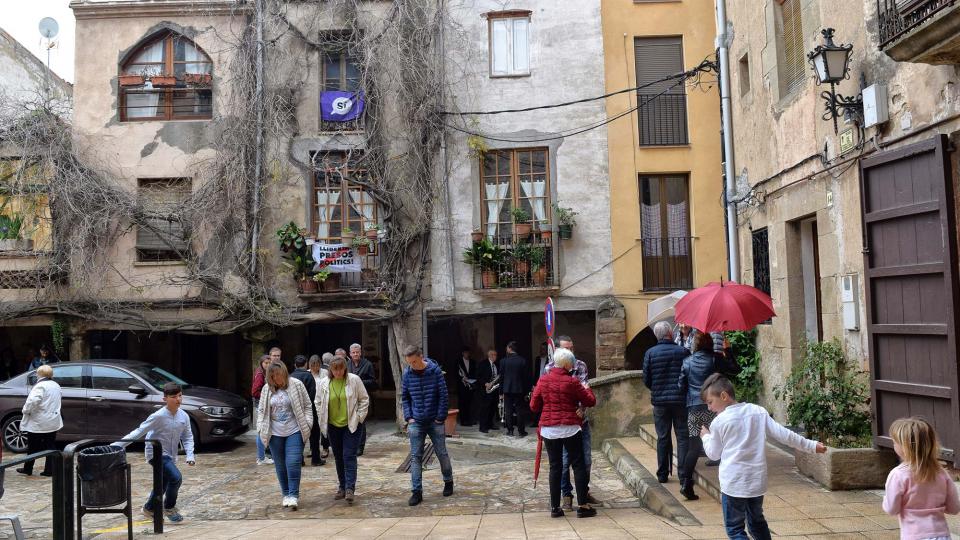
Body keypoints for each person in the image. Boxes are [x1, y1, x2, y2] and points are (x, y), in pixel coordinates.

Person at [700, 374, 826, 539]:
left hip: (733, 483)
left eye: (710, 402)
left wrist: (705, 436)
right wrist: (811, 445)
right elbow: (784, 435)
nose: (709, 408)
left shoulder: (719, 422)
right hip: (756, 482)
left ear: (724, 396)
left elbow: (713, 453)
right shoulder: (757, 411)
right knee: (757, 522)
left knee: (735, 529)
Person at [530, 347, 597, 519]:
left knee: (555, 466)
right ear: (567, 364)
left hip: (549, 429)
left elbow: (534, 406)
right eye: (571, 363)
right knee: (578, 464)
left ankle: (555, 508)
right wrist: (587, 388)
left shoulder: (543, 380)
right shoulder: (572, 382)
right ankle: (582, 506)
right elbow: (590, 401)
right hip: (570, 427)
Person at [114, 382, 195, 523]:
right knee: (176, 478)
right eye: (173, 397)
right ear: (165, 399)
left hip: (171, 455)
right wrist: (116, 446)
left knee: (162, 484)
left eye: (180, 396)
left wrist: (190, 455)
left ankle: (149, 508)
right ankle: (169, 507)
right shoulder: (158, 416)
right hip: (155, 454)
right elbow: (139, 431)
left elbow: (187, 437)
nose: (178, 399)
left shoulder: (184, 416)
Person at [678, 332, 740, 501]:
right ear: (710, 343)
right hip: (714, 407)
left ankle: (685, 483)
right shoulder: (715, 359)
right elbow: (735, 370)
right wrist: (729, 351)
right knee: (722, 442)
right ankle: (730, 481)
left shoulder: (687, 362)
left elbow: (681, 386)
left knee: (693, 447)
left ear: (695, 345)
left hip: (693, 408)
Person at [882, 417, 960, 540]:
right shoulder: (942, 473)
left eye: (895, 442)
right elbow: (954, 508)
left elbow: (892, 509)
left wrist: (886, 498)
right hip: (942, 535)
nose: (893, 445)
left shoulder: (898, 475)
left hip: (913, 536)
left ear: (904, 447)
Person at [547, 335, 598, 511]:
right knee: (563, 462)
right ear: (558, 351)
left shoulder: (580, 365)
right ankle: (566, 495)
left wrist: (582, 408)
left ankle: (583, 491)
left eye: (572, 348)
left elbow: (586, 391)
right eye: (566, 349)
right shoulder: (549, 369)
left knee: (586, 460)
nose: (570, 352)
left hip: (580, 421)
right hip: (562, 424)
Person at [401, 345, 454, 506]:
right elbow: (405, 397)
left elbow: (443, 395)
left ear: (421, 357)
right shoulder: (407, 374)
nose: (413, 365)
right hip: (416, 422)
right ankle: (416, 492)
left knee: (441, 453)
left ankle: (448, 481)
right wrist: (409, 417)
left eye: (415, 362)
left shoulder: (435, 371)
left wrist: (440, 417)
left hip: (434, 421)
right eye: (409, 363)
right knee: (416, 457)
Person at [257, 362, 313, 510]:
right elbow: (262, 410)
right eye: (274, 376)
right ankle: (286, 494)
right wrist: (260, 428)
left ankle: (294, 495)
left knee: (293, 461)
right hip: (274, 432)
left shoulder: (297, 384)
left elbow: (307, 405)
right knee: (280, 465)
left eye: (279, 375)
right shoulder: (266, 389)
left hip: (294, 429)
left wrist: (308, 423)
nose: (277, 378)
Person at [316, 356, 369, 503]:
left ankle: (350, 488)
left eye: (341, 369)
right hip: (333, 426)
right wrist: (322, 416)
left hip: (351, 424)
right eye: (335, 369)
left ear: (345, 368)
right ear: (330, 370)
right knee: (338, 456)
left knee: (349, 455)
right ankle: (342, 486)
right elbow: (318, 401)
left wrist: (359, 417)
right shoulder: (324, 383)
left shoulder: (354, 380)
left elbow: (364, 399)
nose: (338, 372)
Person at [643, 321, 690, 484]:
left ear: (657, 335)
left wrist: (656, 388)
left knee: (663, 437)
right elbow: (687, 376)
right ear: (670, 333)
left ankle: (662, 473)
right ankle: (684, 474)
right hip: (680, 401)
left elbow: (646, 379)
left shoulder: (650, 353)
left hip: (660, 402)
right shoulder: (683, 351)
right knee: (683, 437)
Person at [16, 365, 61, 477]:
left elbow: (32, 402)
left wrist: (25, 410)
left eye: (37, 373)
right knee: (50, 445)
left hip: (39, 421)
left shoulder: (40, 386)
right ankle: (49, 470)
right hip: (53, 420)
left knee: (33, 446)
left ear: (40, 374)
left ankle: (28, 469)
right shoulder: (56, 385)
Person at [290, 355, 320, 466]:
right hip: (309, 410)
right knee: (314, 434)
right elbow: (312, 395)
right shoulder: (308, 376)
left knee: (298, 435)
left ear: (295, 365)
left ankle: (300, 459)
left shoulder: (290, 376)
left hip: (295, 411)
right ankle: (316, 459)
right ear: (306, 364)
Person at [347, 344, 377, 456]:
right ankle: (351, 445)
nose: (355, 354)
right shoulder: (346, 364)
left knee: (361, 421)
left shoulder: (367, 364)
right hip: (349, 397)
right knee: (349, 421)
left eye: (357, 352)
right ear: (350, 353)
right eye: (353, 352)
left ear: (360, 353)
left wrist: (358, 382)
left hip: (362, 397)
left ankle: (360, 447)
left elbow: (373, 382)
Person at [499, 341, 529, 437]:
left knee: (508, 410)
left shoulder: (503, 361)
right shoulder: (522, 360)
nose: (506, 349)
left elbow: (501, 377)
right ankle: (521, 431)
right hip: (519, 389)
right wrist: (526, 391)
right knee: (520, 410)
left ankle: (510, 430)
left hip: (507, 389)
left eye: (507, 347)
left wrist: (500, 391)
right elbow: (525, 377)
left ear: (510, 348)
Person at [251, 354, 274, 465]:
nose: (268, 365)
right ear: (261, 363)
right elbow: (254, 392)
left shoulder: (265, 373)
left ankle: (262, 456)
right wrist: (267, 395)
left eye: (269, 363)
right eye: (266, 363)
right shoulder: (260, 374)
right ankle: (260, 457)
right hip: (260, 405)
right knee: (261, 431)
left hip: (263, 405)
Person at [309, 355, 330, 461]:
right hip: (311, 403)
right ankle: (313, 448)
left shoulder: (324, 373)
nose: (315, 368)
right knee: (313, 427)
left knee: (323, 425)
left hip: (322, 402)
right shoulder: (308, 373)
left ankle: (325, 447)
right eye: (313, 366)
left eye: (317, 365)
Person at [475, 349, 500, 433]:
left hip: (494, 390)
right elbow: (478, 376)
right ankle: (483, 427)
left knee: (492, 408)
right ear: (489, 355)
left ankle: (490, 424)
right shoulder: (483, 364)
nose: (495, 356)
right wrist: (485, 383)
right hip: (485, 390)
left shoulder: (496, 364)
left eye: (496, 355)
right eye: (493, 355)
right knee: (484, 409)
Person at [455, 347, 477, 427]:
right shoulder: (458, 362)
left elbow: (475, 373)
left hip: (470, 385)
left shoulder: (473, 362)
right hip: (462, 386)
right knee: (462, 404)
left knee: (470, 404)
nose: (467, 354)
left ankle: (469, 420)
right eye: (465, 353)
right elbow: (456, 374)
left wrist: (470, 379)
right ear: (463, 353)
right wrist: (462, 379)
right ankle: (463, 421)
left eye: (468, 353)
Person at [530, 342, 550, 427]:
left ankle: (544, 421)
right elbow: (536, 372)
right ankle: (535, 422)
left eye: (544, 349)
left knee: (545, 403)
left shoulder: (550, 359)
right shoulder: (537, 359)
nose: (542, 350)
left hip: (546, 384)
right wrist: (534, 384)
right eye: (541, 349)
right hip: (538, 383)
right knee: (536, 402)